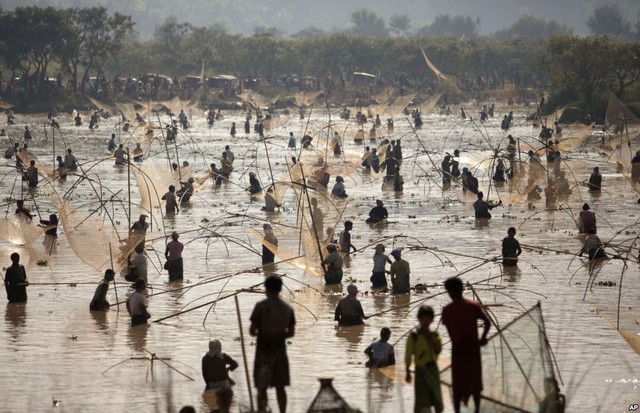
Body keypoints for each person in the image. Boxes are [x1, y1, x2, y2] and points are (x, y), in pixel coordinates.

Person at [441, 277, 491, 413]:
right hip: (473, 350)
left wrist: (457, 342)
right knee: (475, 383)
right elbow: (487, 322)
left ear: (450, 292)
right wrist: (483, 339)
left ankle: (457, 410)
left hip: (458, 351)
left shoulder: (447, 310)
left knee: (458, 384)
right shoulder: (473, 306)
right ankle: (477, 410)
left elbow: (450, 333)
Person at [249, 275, 295, 413]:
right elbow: (291, 333)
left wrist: (263, 335)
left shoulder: (261, 307)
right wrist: (279, 335)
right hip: (280, 350)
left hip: (263, 350)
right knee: (280, 387)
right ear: (280, 289)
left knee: (262, 387)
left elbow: (252, 331)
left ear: (266, 289)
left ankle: (262, 410)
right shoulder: (287, 309)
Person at [405, 305, 443, 413]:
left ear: (431, 319)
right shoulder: (414, 336)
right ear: (419, 319)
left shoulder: (435, 335)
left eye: (428, 318)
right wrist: (407, 371)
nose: (426, 321)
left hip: (433, 369)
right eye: (423, 318)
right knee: (422, 402)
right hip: (421, 370)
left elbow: (438, 350)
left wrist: (429, 338)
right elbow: (408, 355)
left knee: (437, 402)